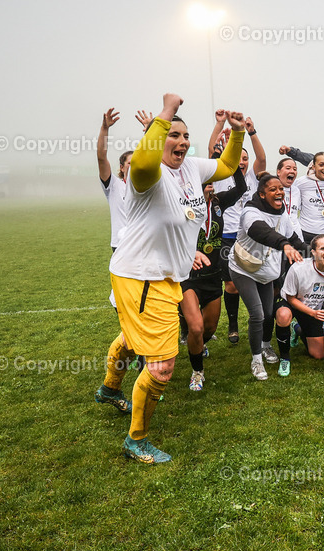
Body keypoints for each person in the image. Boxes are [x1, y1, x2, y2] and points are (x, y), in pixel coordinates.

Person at [94, 94, 245, 464]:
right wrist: (165, 113)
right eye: (173, 135)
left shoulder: (190, 168)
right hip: (142, 276)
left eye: (185, 135)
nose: (182, 141)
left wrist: (237, 132)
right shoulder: (149, 174)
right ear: (158, 138)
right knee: (162, 365)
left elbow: (226, 166)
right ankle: (136, 440)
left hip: (160, 275)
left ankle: (109, 389)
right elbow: (144, 159)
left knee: (133, 338)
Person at [228, 173, 306, 380]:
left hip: (265, 271)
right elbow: (259, 231)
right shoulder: (250, 212)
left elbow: (294, 239)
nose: (279, 192)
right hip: (243, 269)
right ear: (262, 194)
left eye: (280, 188)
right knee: (257, 314)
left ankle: (265, 345)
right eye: (273, 189)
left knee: (269, 313)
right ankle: (256, 360)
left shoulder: (282, 213)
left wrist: (314, 255)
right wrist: (284, 245)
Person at [181, 170, 246, 390]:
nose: (209, 185)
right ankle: (197, 372)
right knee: (196, 328)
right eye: (203, 182)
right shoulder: (183, 205)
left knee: (208, 328)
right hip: (188, 277)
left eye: (210, 182)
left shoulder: (219, 202)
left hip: (213, 276)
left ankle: (198, 346)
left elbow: (241, 188)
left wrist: (234, 164)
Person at [209, 111, 267, 344]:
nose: (242, 162)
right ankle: (233, 325)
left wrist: (251, 132)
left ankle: (262, 320)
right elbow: (212, 151)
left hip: (251, 238)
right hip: (226, 237)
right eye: (239, 158)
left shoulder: (252, 177)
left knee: (259, 278)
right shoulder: (221, 174)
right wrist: (219, 124)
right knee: (231, 284)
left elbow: (261, 159)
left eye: (245, 159)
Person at [274, 234, 324, 373]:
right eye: (322, 248)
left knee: (319, 354)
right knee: (283, 315)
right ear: (313, 252)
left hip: (312, 309)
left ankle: (298, 329)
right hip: (292, 303)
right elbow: (290, 298)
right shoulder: (298, 268)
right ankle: (285, 359)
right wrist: (313, 313)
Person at [96, 108, 132, 252]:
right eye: (130, 163)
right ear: (122, 168)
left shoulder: (146, 188)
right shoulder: (114, 186)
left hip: (143, 243)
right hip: (121, 245)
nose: (135, 166)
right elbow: (101, 157)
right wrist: (104, 129)